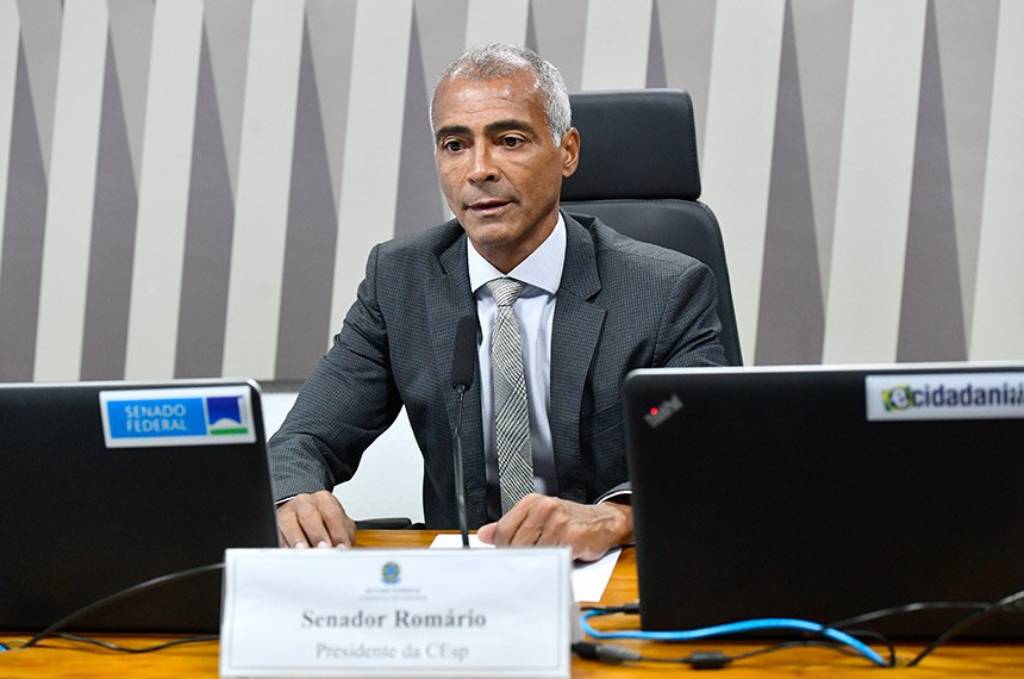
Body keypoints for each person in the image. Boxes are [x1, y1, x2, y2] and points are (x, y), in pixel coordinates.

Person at [270, 44, 726, 561]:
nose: (478, 169)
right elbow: (303, 439)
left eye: (509, 140)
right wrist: (294, 497)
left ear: (568, 151)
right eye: (455, 145)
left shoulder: (665, 290)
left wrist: (614, 517)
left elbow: (706, 461)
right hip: (460, 593)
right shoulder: (399, 281)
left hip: (610, 577)